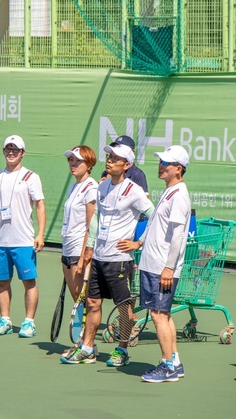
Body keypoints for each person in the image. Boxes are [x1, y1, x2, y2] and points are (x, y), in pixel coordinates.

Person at [61, 143, 154, 365]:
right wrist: (90, 247)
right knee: (93, 303)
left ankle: (122, 349)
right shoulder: (101, 188)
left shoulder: (135, 191)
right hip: (99, 258)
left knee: (124, 307)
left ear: (127, 165)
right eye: (109, 156)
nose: (110, 160)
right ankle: (87, 348)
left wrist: (138, 242)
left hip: (120, 260)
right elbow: (96, 219)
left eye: (115, 158)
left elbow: (154, 214)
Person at [117, 145, 191, 382]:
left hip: (162, 268)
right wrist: (139, 243)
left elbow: (179, 235)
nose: (161, 166)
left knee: (159, 316)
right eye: (161, 162)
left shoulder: (179, 195)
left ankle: (166, 365)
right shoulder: (169, 192)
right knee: (164, 315)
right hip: (153, 265)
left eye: (166, 164)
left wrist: (169, 267)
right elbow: (154, 227)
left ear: (178, 169)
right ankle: (175, 362)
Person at [0, 135, 46, 338]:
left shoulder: (31, 177)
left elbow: (40, 206)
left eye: (15, 150)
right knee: (2, 282)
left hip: (24, 241)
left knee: (29, 282)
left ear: (22, 153)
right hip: (0, 241)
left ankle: (29, 322)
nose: (11, 152)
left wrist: (41, 234)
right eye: (8, 149)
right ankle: (5, 320)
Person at [60, 146, 98, 355]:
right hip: (67, 248)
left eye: (78, 161)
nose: (73, 164)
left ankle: (87, 345)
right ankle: (84, 343)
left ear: (89, 165)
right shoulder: (74, 186)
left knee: (84, 300)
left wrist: (85, 255)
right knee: (78, 299)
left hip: (78, 251)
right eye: (71, 161)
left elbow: (90, 225)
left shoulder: (91, 188)